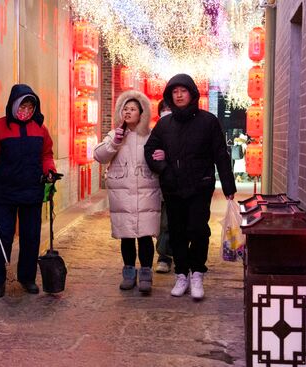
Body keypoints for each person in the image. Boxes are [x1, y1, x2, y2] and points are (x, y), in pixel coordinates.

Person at [144, 73, 236, 300]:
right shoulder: (164, 124)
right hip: (173, 187)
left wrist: (228, 185)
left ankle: (197, 272)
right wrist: (163, 166)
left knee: (198, 229)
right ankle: (181, 274)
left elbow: (220, 155)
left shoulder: (208, 121)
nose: (179, 95)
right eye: (174, 92)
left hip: (199, 186)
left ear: (192, 93)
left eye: (182, 91)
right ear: (170, 96)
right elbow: (149, 150)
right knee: (177, 232)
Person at [0, 84, 56, 298]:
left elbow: (46, 155)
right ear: (13, 106)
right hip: (5, 193)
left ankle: (27, 277)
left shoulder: (40, 129)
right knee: (3, 237)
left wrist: (50, 171)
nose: (26, 111)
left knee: (31, 237)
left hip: (32, 191)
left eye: (30, 107)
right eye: (22, 106)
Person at [93, 90, 161, 294]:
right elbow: (99, 155)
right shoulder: (115, 134)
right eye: (125, 109)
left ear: (142, 113)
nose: (128, 112)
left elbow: (159, 158)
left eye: (133, 109)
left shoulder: (151, 135)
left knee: (145, 236)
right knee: (127, 236)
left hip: (146, 192)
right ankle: (129, 272)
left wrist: (161, 155)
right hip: (122, 195)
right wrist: (115, 142)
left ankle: (146, 273)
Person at [155, 99, 173, 273]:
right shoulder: (156, 131)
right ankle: (164, 256)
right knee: (164, 223)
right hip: (161, 185)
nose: (166, 111)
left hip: (183, 185)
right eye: (164, 109)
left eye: (169, 108)